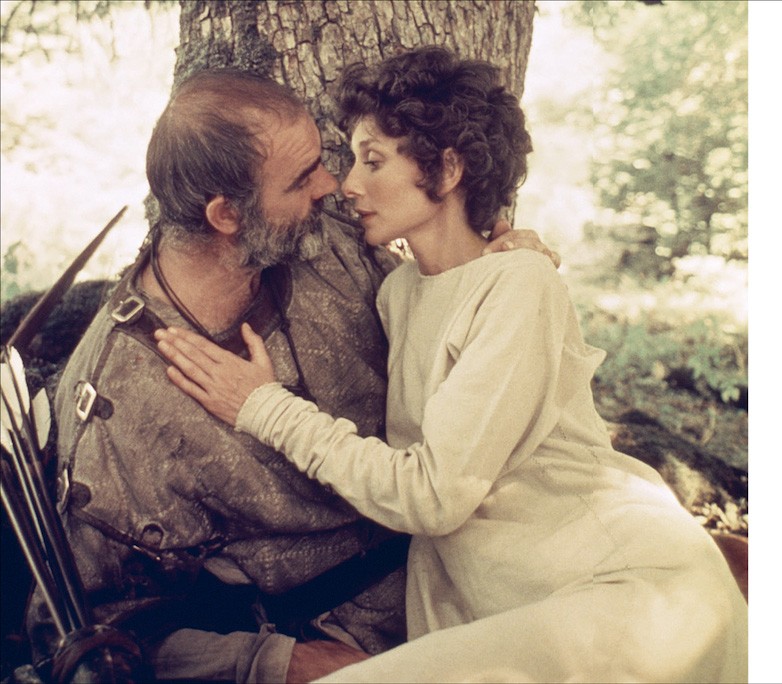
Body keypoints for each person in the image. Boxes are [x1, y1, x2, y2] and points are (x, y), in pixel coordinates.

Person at [156, 46, 749, 683]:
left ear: (446, 169)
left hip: (623, 588)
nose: (348, 184)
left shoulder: (520, 282)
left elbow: (434, 495)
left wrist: (265, 408)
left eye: (373, 161)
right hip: (512, 608)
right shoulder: (398, 293)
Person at [30, 65, 556, 683]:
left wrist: (493, 272)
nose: (332, 185)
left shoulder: (324, 242)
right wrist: (277, 662)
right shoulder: (123, 398)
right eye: (302, 178)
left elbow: (444, 335)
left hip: (477, 569)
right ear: (226, 214)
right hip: (353, 646)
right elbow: (86, 634)